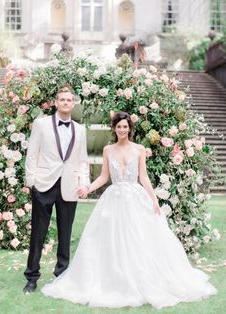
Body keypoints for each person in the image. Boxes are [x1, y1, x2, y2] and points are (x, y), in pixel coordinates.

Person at [41, 112, 217, 309]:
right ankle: (114, 279)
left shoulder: (139, 149)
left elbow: (144, 177)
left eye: (125, 127)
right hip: (114, 199)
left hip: (135, 198)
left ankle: (142, 278)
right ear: (114, 129)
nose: (122, 130)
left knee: (139, 238)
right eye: (119, 127)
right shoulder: (108, 149)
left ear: (130, 129)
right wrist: (87, 188)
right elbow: (104, 177)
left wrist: (154, 200)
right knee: (110, 240)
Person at [23, 86, 90, 293]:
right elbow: (32, 154)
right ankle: (32, 276)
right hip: (44, 184)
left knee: (65, 232)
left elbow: (83, 161)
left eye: (69, 100)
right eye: (62, 99)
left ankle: (61, 274)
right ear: (56, 102)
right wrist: (32, 182)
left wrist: (84, 183)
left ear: (73, 103)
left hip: (69, 187)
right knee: (38, 232)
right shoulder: (41, 124)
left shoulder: (80, 130)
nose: (65, 103)